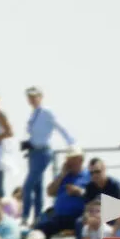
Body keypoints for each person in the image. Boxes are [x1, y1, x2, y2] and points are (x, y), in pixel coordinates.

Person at [20, 87, 75, 225]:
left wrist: (71, 143)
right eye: (30, 97)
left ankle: (25, 216)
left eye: (34, 96)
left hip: (42, 152)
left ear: (41, 96)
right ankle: (37, 217)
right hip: (33, 152)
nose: (32, 99)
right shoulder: (33, 113)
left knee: (28, 186)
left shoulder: (46, 112)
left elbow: (60, 127)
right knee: (37, 186)